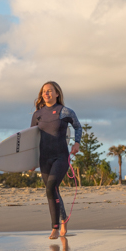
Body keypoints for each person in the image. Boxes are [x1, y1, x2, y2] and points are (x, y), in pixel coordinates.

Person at [31, 81, 81, 239]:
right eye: (44, 91)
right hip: (44, 158)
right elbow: (31, 139)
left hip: (61, 156)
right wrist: (31, 162)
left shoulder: (65, 111)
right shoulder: (37, 114)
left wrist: (77, 143)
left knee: (51, 187)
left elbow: (77, 126)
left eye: (50, 91)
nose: (46, 94)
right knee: (53, 191)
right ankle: (63, 219)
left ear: (57, 93)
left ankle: (55, 228)